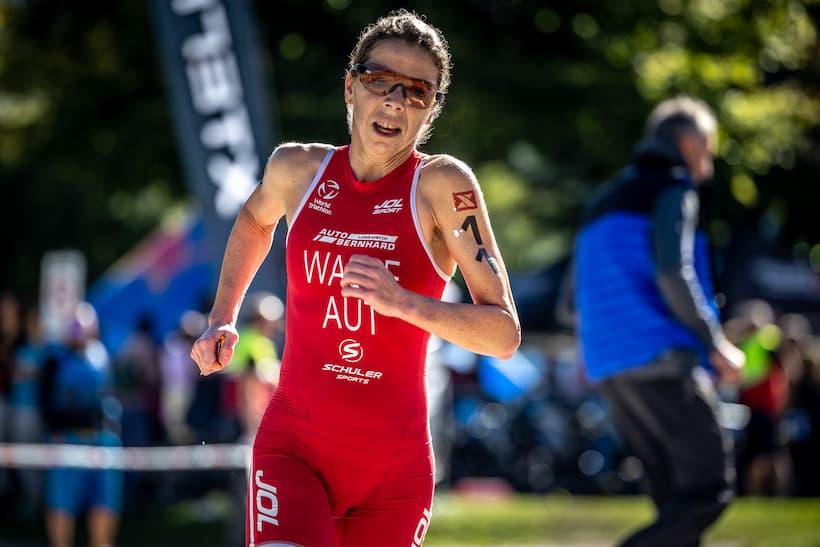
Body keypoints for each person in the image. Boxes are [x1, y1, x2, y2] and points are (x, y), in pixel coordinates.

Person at [190, 10, 520, 546]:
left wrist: (403, 302)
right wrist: (222, 316)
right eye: (379, 79)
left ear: (431, 108)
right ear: (350, 87)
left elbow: (503, 334)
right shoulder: (297, 169)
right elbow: (254, 220)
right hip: (293, 450)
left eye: (417, 90)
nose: (395, 100)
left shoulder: (441, 185)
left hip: (394, 474)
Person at [574, 96, 746, 547]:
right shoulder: (673, 187)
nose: (708, 165)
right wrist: (715, 342)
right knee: (709, 490)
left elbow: (568, 305)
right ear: (689, 144)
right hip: (662, 357)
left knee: (675, 504)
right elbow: (674, 272)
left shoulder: (599, 203)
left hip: (609, 367)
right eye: (708, 150)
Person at [39, 302, 122, 547]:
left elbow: (111, 396)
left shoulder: (103, 355)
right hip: (67, 440)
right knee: (61, 503)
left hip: (102, 441)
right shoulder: (55, 358)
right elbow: (45, 401)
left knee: (104, 503)